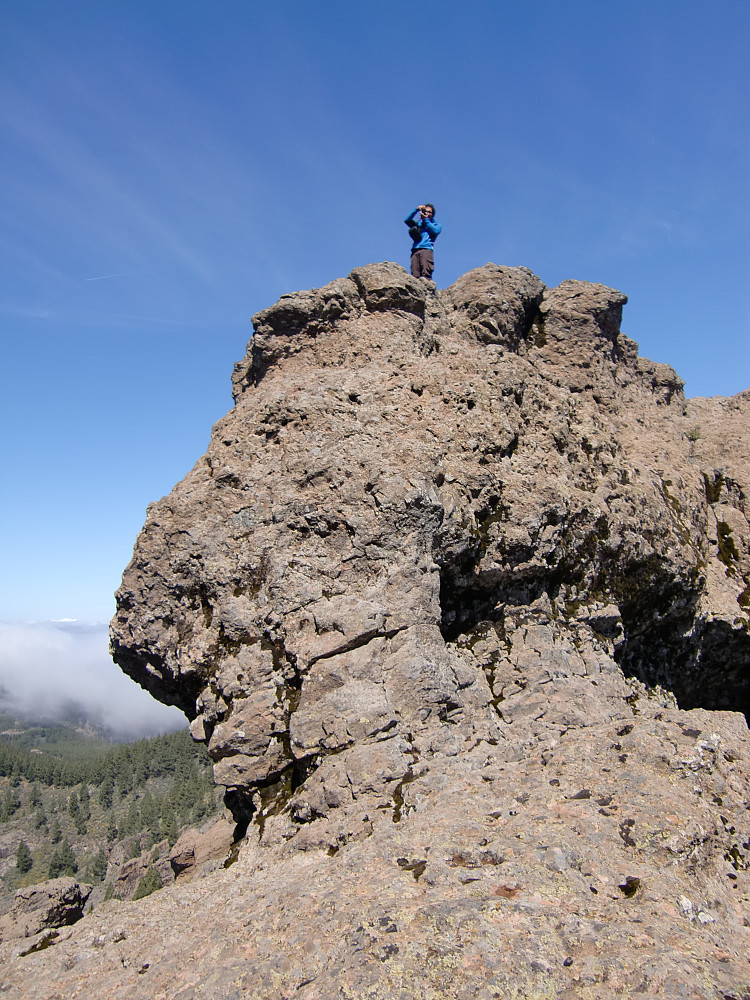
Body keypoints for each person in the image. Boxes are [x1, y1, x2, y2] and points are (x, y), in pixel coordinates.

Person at [404, 204, 441, 280]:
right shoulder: (419, 224)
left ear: (432, 214)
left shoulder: (435, 225)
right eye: (425, 211)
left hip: (426, 250)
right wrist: (416, 210)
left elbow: (435, 231)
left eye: (429, 212)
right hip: (415, 250)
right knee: (414, 274)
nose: (427, 213)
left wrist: (426, 219)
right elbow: (407, 220)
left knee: (426, 273)